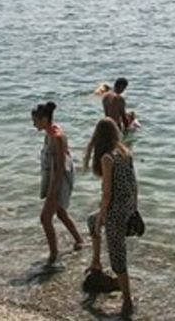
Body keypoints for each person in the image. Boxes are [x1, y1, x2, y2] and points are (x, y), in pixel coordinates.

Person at [85, 117, 139, 316]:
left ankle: (127, 301)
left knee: (117, 256)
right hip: (127, 208)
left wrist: (102, 217)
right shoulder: (125, 153)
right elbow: (134, 186)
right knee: (91, 221)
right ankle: (96, 262)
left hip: (115, 212)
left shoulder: (107, 158)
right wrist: (134, 210)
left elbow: (107, 193)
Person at [31, 100, 84, 265]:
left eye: (35, 120)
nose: (33, 124)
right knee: (60, 212)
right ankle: (80, 241)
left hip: (61, 177)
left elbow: (60, 167)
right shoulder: (49, 132)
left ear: (44, 119)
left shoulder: (57, 136)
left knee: (45, 218)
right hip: (54, 175)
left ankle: (53, 254)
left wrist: (53, 191)